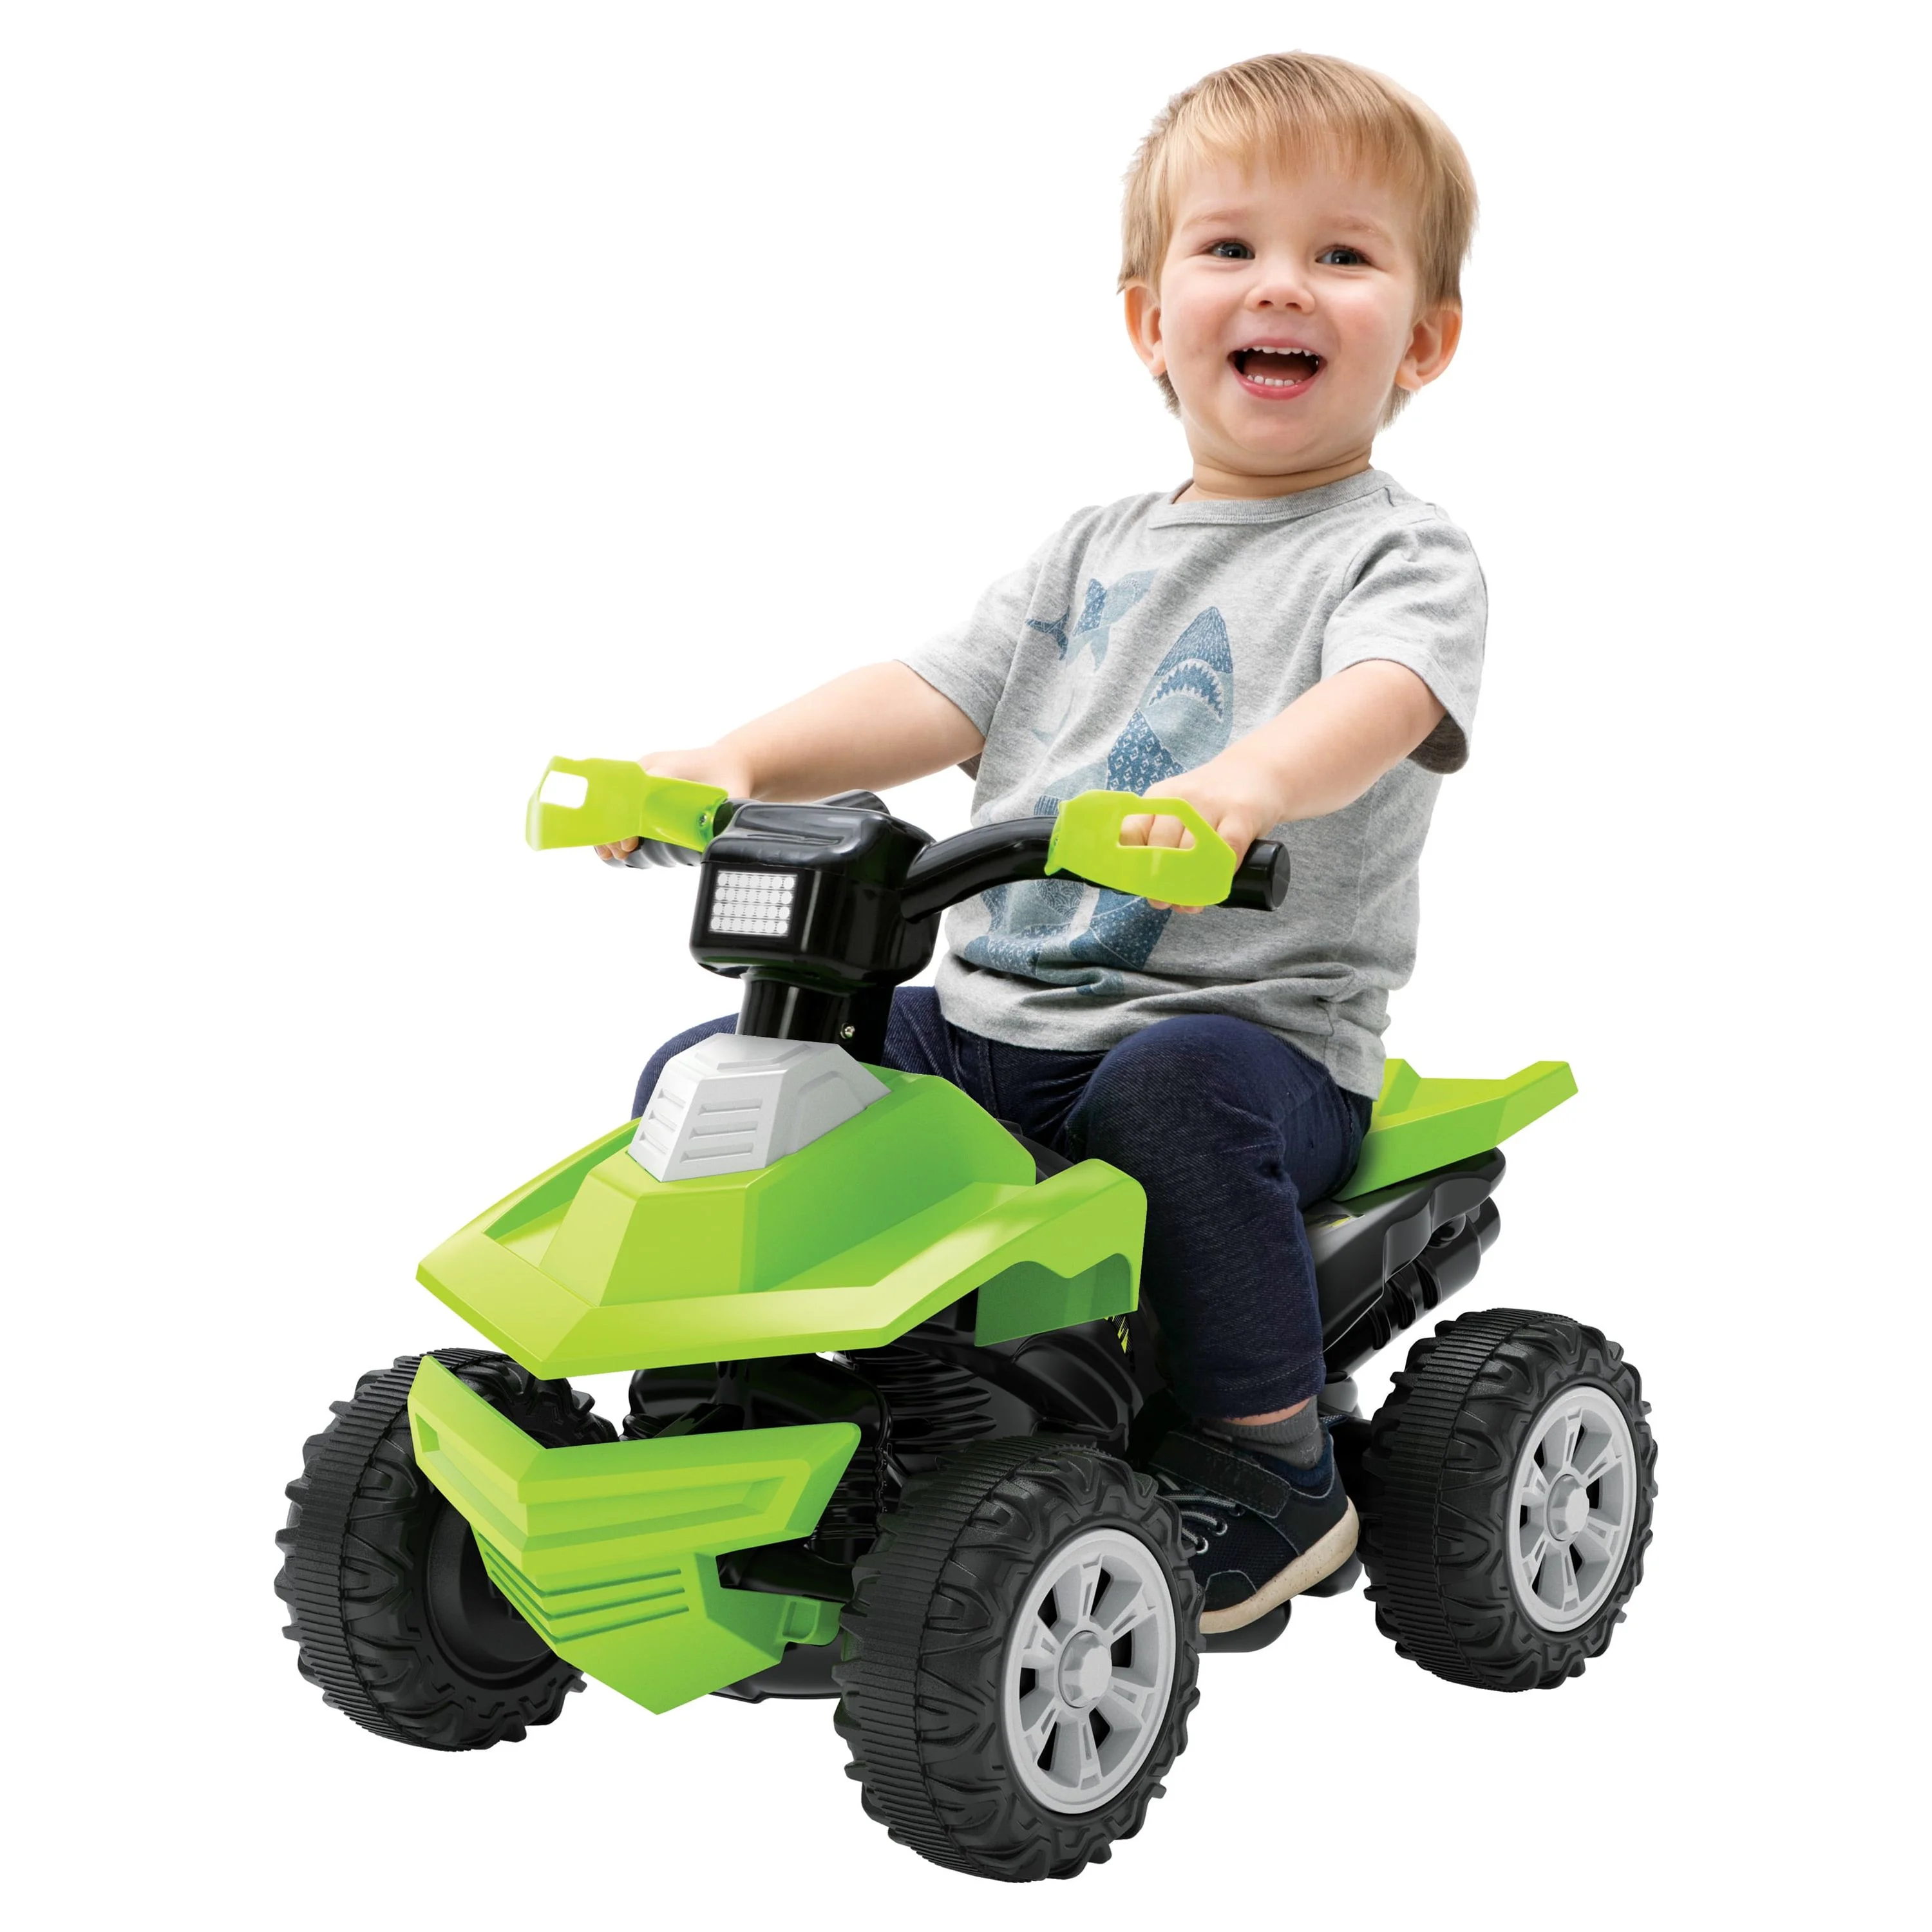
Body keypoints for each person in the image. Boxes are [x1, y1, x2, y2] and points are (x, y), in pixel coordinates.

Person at [603, 51, 1484, 1633]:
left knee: (1170, 1096)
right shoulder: (1089, 550)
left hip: (1249, 1037)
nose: (1281, 283)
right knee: (722, 1075)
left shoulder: (1399, 555)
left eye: (1343, 255)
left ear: (1423, 338)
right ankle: (743, 1397)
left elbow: (1382, 696)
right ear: (1150, 318)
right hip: (992, 1018)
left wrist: (1247, 787)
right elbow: (929, 692)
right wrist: (740, 759)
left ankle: (1276, 1462)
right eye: (1231, 246)